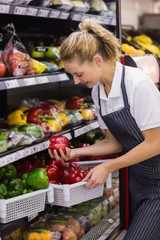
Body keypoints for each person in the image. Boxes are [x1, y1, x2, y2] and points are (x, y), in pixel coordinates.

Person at [48, 18, 160, 240]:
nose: (76, 81)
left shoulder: (137, 85)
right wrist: (75, 153)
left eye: (79, 74)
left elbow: (155, 143)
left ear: (97, 60)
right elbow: (116, 142)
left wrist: (108, 166)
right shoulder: (97, 92)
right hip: (139, 180)